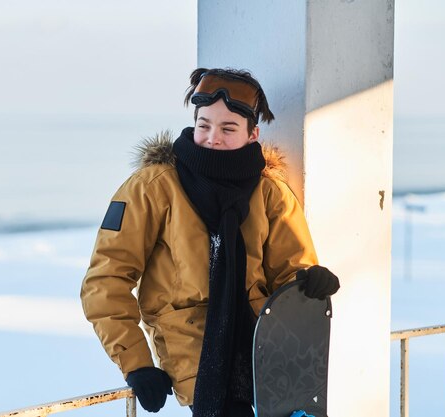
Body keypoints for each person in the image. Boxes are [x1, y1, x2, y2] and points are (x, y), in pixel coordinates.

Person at [80, 68, 340, 417]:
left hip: (267, 359)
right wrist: (136, 363)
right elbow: (106, 280)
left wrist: (309, 283)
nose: (212, 138)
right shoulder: (153, 187)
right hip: (194, 359)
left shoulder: (269, 193)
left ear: (253, 134)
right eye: (204, 125)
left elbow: (291, 272)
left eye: (228, 128)